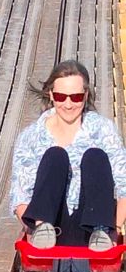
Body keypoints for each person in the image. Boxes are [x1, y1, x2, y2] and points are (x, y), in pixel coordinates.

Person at [10, 60, 126, 251]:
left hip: (94, 223)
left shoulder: (104, 130)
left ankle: (100, 233)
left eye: (76, 97)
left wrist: (115, 228)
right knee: (55, 156)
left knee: (95, 156)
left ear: (85, 95)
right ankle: (43, 230)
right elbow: (20, 195)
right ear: (52, 95)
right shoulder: (31, 137)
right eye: (61, 96)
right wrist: (31, 228)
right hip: (52, 223)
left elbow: (124, 186)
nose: (69, 104)